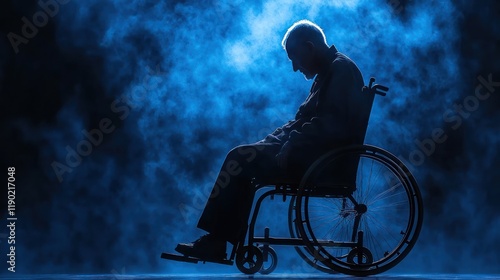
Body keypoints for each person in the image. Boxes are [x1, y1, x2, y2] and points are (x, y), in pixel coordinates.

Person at [174, 19, 374, 261]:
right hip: (310, 154)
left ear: (309, 47)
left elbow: (329, 124)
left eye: (294, 57)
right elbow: (301, 122)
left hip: (321, 163)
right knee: (244, 155)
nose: (294, 67)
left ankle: (217, 242)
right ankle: (217, 240)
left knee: (238, 159)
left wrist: (289, 143)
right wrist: (268, 142)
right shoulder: (328, 71)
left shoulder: (340, 69)